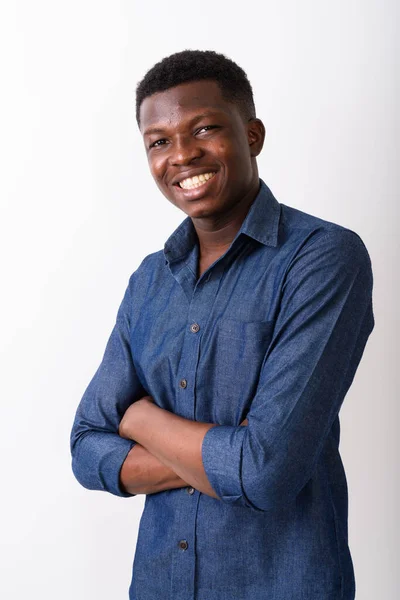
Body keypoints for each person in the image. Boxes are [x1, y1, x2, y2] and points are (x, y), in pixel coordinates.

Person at [70, 49, 375, 600]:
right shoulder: (150, 280)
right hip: (159, 585)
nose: (182, 154)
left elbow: (267, 471)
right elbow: (87, 449)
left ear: (252, 134)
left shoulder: (322, 259)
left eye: (204, 128)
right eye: (159, 141)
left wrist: (137, 417)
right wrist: (223, 460)